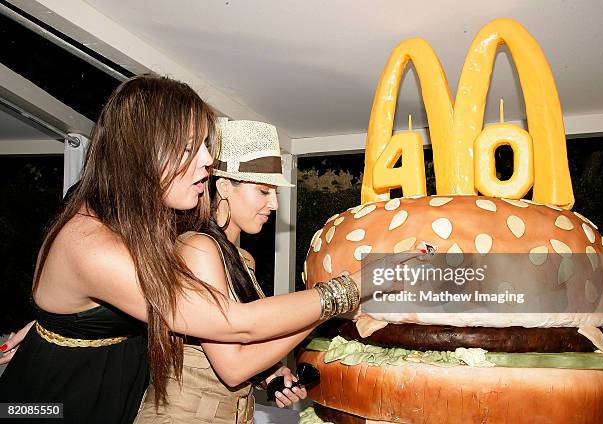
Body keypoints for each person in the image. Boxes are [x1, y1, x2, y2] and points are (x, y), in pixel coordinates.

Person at [0, 75, 420, 423]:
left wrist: (45, 322)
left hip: (112, 393)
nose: (206, 159)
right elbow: (231, 324)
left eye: (205, 145)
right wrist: (353, 288)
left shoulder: (146, 222)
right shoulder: (92, 244)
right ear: (141, 153)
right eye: (189, 148)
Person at [135, 120, 305, 423]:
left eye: (275, 193)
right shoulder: (198, 248)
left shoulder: (244, 260)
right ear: (224, 187)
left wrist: (270, 374)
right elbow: (232, 369)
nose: (275, 204)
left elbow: (243, 345)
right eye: (264, 191)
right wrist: (325, 307)